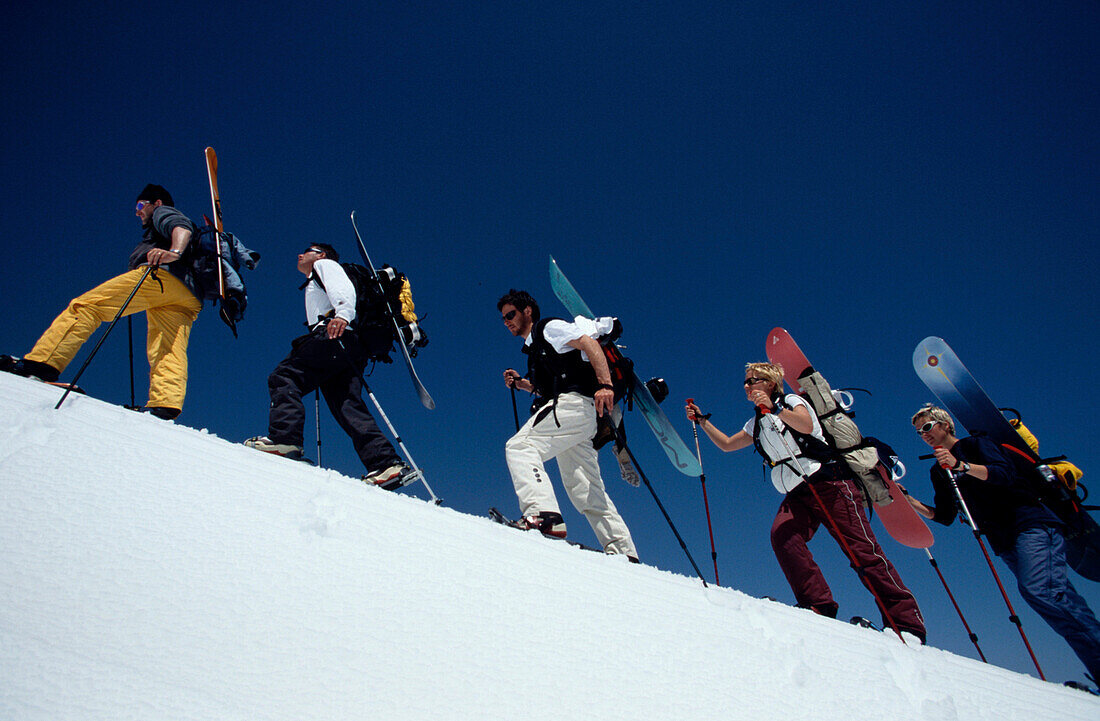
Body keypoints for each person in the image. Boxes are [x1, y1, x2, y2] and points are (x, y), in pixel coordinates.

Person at [685, 362, 925, 641]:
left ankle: (907, 624)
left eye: (754, 380)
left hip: (830, 482)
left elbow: (806, 424)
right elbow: (727, 444)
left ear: (771, 383)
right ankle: (818, 604)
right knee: (783, 536)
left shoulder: (791, 401)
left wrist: (775, 409)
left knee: (861, 550)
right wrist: (702, 422)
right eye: (746, 381)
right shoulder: (756, 423)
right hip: (797, 491)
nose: (747, 386)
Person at [906, 404, 1100, 680]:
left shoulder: (977, 444)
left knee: (1041, 592)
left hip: (1031, 523)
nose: (923, 435)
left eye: (927, 427)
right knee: (1054, 599)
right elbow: (945, 515)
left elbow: (1004, 474)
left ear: (945, 424)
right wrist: (910, 502)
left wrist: (961, 465)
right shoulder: (939, 471)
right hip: (1004, 541)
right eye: (918, 432)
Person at [1, 185, 202, 419]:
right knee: (167, 347)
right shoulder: (161, 227)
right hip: (188, 296)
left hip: (162, 277)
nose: (137, 212)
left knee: (87, 306)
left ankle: (40, 365)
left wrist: (175, 251)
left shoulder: (162, 212)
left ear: (156, 203)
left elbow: (181, 227)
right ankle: (165, 405)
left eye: (140, 205)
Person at [244, 244, 408, 488]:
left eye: (308, 250)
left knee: (285, 376)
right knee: (347, 405)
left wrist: (342, 314)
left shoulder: (325, 265)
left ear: (321, 255)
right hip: (352, 345)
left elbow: (344, 290)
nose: (300, 254)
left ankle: (284, 439)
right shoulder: (316, 275)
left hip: (335, 335)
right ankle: (385, 464)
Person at [498, 289, 638, 560]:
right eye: (504, 319)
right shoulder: (536, 351)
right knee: (584, 488)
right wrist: (521, 383)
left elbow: (589, 343)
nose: (507, 322)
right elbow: (548, 390)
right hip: (580, 419)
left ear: (527, 311)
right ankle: (624, 552)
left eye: (510, 315)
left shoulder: (548, 328)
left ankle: (542, 514)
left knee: (520, 447)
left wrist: (606, 384)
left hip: (576, 406)